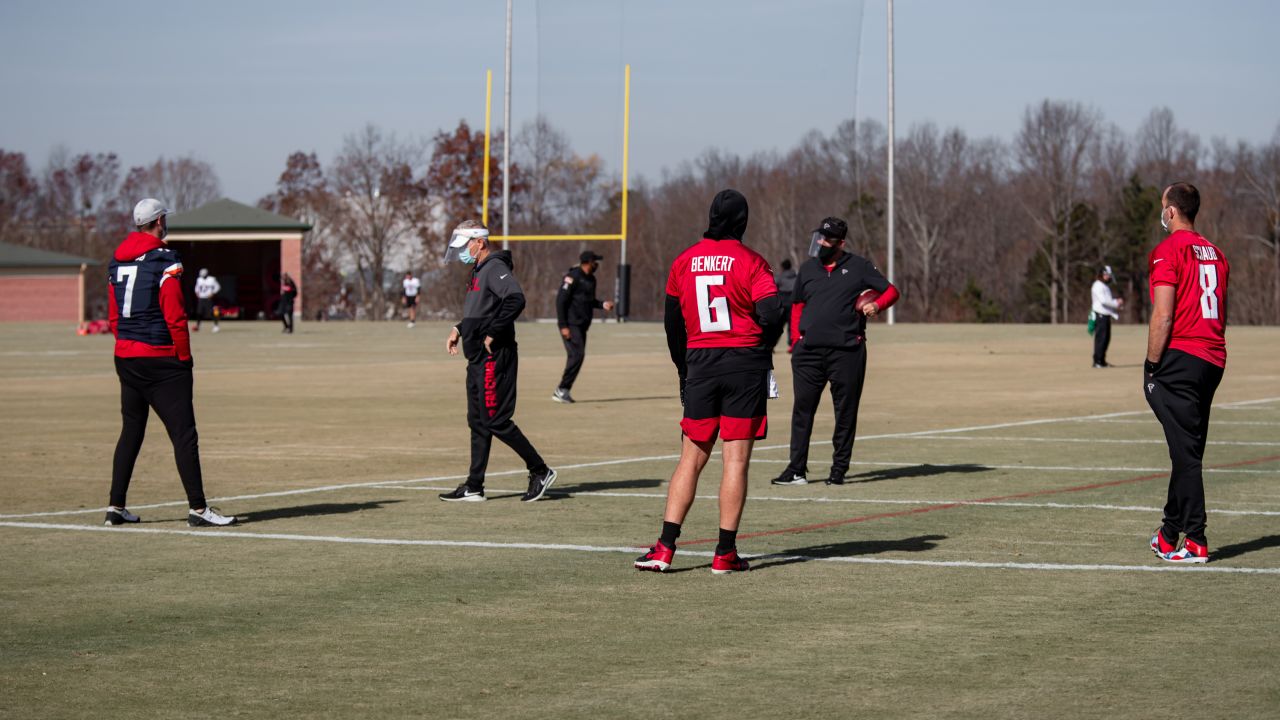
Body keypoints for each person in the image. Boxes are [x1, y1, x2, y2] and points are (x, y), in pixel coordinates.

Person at [634, 189, 782, 574]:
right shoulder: (752, 261)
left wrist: (684, 369)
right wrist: (762, 348)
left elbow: (672, 324)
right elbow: (771, 311)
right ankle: (724, 553)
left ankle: (665, 548)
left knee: (690, 458)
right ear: (743, 222)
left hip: (700, 363)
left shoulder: (683, 261)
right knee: (735, 460)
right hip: (743, 363)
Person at [104, 198, 236, 528]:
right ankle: (198, 508)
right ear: (159, 221)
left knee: (131, 431)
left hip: (126, 355)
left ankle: (115, 506)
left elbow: (113, 317)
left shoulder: (116, 262)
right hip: (160, 358)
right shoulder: (165, 260)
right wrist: (183, 356)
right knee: (183, 434)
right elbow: (175, 313)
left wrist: (128, 343)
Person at [772, 217, 900, 487]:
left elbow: (891, 291)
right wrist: (796, 341)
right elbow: (796, 306)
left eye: (826, 239)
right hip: (808, 354)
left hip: (847, 351)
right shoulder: (807, 269)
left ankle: (838, 471)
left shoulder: (858, 267)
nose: (820, 243)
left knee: (845, 412)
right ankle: (796, 470)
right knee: (802, 410)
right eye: (819, 237)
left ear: (840, 243)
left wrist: (877, 306)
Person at [441, 219, 557, 502]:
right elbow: (479, 313)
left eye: (466, 245)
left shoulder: (495, 268)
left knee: (496, 419)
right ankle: (474, 485)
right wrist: (459, 329)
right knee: (478, 420)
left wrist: (493, 333)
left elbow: (515, 299)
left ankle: (540, 470)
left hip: (496, 357)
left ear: (479, 242)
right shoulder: (478, 270)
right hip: (477, 358)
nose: (463, 252)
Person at [1145, 182, 1229, 564]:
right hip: (1212, 358)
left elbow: (1163, 315)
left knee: (1186, 453)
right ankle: (1168, 533)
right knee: (1187, 449)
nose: (1161, 213)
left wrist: (1150, 365)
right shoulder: (1217, 253)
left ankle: (1195, 539)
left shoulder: (1168, 250)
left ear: (1172, 211)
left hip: (1181, 357)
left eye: (1163, 206)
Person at [553, 250, 616, 403]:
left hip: (582, 325)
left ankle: (563, 390)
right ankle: (561, 390)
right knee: (577, 356)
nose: (597, 265)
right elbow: (560, 301)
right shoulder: (572, 277)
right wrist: (563, 326)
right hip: (571, 324)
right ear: (588, 262)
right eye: (595, 262)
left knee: (576, 357)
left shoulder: (591, 280)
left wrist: (602, 304)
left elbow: (590, 300)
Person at [1090, 265, 1123, 367]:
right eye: (1106, 275)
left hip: (1106, 315)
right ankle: (1097, 361)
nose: (1108, 277)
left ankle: (1102, 360)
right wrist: (1116, 303)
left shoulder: (1104, 286)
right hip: (1100, 315)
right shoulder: (1098, 285)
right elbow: (1104, 301)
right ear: (1102, 274)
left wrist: (1116, 305)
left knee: (1106, 339)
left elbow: (1107, 301)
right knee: (1101, 339)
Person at [763, 258, 797, 350]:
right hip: (793, 304)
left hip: (781, 305)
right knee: (792, 327)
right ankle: (792, 345)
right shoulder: (796, 277)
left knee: (777, 327)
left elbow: (772, 289)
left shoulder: (779, 277)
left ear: (783, 267)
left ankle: (771, 345)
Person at [193, 268, 221, 333]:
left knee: (212, 312)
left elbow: (217, 287)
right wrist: (197, 293)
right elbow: (196, 288)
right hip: (201, 298)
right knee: (199, 312)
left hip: (209, 299)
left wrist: (213, 293)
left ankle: (216, 326)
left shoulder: (212, 279)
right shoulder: (199, 279)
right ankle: (198, 325)